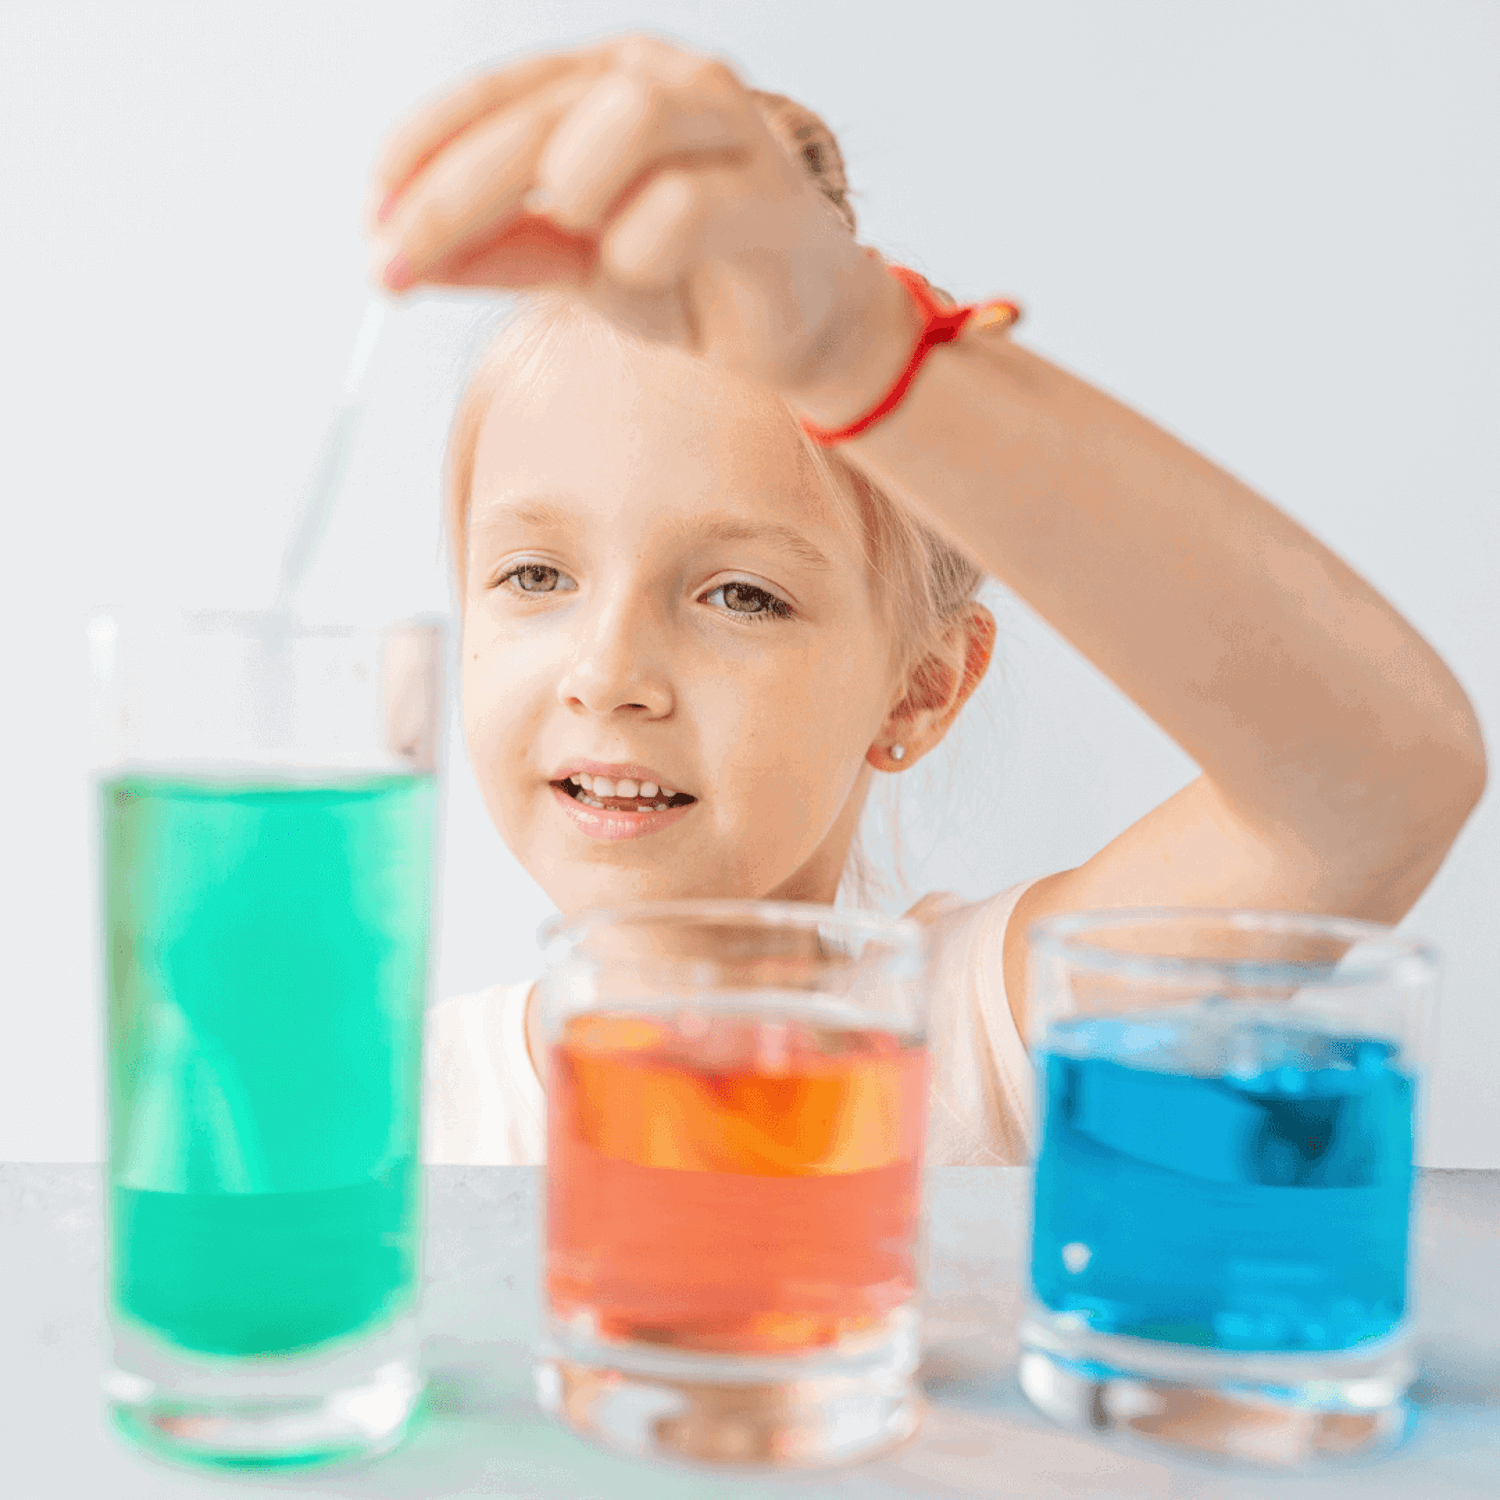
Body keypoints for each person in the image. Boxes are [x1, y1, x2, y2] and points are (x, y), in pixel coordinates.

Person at [364, 35, 1487, 1166]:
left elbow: (1376, 784)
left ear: (922, 687)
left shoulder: (974, 1038)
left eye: (741, 595)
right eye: (537, 575)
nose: (605, 672)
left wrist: (862, 350)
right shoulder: (396, 1107)